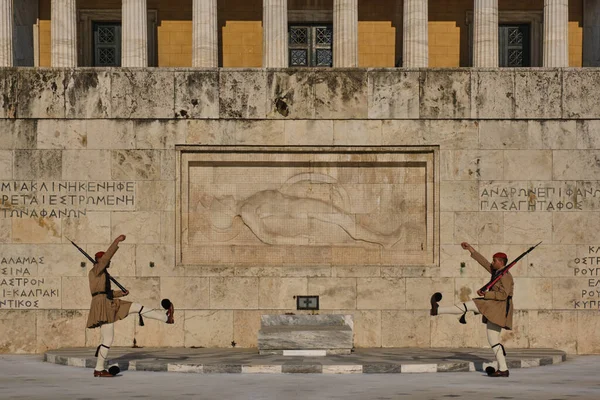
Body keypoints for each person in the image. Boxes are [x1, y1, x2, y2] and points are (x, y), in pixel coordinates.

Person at [87, 234, 174, 377]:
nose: (107, 262)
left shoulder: (102, 273)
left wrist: (121, 293)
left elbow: (105, 292)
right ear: (98, 261)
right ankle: (99, 369)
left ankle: (166, 318)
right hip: (103, 306)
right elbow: (106, 260)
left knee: (136, 307)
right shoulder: (96, 270)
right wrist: (116, 242)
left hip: (108, 302)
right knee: (108, 339)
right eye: (103, 260)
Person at [430, 242, 514, 378]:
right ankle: (503, 369)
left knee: (471, 304)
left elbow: (503, 295)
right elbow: (485, 263)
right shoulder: (497, 272)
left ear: (500, 262)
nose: (492, 262)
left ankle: (438, 310)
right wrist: (471, 250)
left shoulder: (506, 276)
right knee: (493, 341)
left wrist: (486, 294)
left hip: (497, 307)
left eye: (494, 260)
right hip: (494, 308)